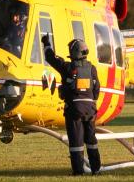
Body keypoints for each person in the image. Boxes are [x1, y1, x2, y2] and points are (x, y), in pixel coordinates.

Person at [41, 35, 101, 175]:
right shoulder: (92, 69)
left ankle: (78, 171)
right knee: (91, 140)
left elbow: (51, 58)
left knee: (76, 142)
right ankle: (96, 169)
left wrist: (46, 43)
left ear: (73, 53)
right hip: (90, 110)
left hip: (74, 110)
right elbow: (96, 89)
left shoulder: (68, 67)